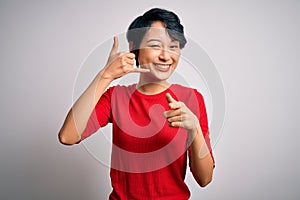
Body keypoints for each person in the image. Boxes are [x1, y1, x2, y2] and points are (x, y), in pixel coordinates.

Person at [59, 8, 215, 200]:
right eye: (156, 45)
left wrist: (195, 129)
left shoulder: (191, 99)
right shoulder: (116, 97)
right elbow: (68, 136)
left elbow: (205, 178)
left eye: (173, 46)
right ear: (135, 47)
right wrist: (106, 75)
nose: (166, 56)